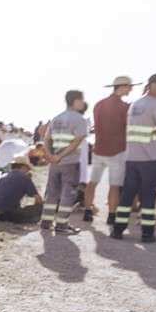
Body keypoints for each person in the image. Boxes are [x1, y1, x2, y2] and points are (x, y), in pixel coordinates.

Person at [112, 73, 156, 243]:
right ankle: (147, 234)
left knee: (127, 195)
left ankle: (118, 230)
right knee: (149, 197)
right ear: (153, 85)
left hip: (132, 157)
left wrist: (154, 131)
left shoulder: (135, 105)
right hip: (151, 159)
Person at [85, 76, 134, 224]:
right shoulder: (125, 107)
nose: (131, 89)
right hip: (117, 151)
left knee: (92, 182)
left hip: (99, 149)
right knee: (114, 186)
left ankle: (87, 212)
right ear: (122, 87)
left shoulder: (99, 104)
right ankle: (111, 215)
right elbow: (128, 128)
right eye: (129, 86)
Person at [40, 90, 89, 234]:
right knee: (68, 193)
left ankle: (46, 222)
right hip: (70, 161)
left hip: (55, 163)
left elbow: (46, 139)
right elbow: (76, 141)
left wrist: (50, 155)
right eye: (82, 100)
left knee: (52, 193)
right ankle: (62, 225)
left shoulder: (56, 118)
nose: (83, 103)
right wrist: (60, 156)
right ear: (75, 101)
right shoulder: (80, 119)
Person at [0, 156, 43, 223]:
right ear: (24, 167)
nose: (28, 171)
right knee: (41, 207)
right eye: (28, 169)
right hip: (2, 213)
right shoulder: (24, 177)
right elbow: (38, 199)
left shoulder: (3, 176)